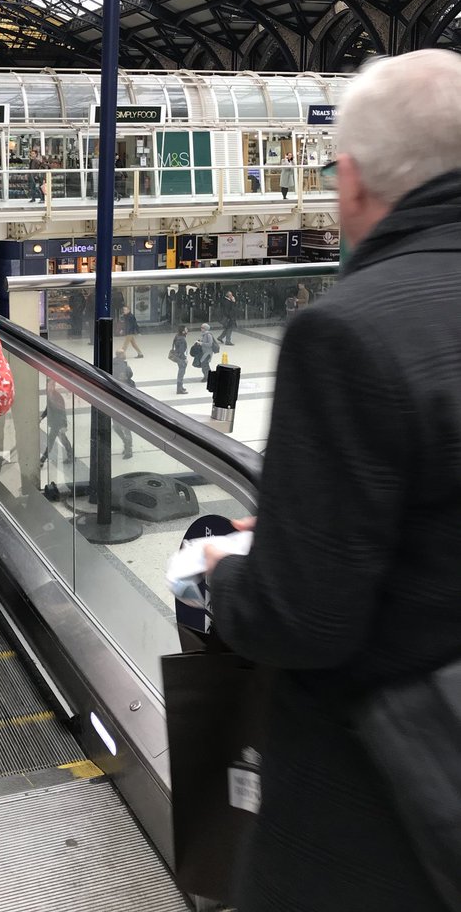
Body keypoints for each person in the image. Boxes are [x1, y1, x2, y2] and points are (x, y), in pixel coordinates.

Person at [204, 48, 461, 912]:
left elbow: (302, 619)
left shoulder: (350, 330)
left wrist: (231, 574)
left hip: (383, 810)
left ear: (350, 182)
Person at [39, 379, 73, 465]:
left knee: (51, 441)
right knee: (63, 440)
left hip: (58, 423)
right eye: (50, 385)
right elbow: (48, 408)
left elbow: (62, 411)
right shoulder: (49, 394)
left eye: (53, 385)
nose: (51, 387)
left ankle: (42, 460)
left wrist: (64, 425)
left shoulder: (57, 397)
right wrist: (41, 417)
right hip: (55, 423)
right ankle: (71, 456)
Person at [111, 351, 134, 458]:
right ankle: (128, 446)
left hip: (116, 404)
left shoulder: (113, 365)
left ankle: (127, 446)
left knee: (118, 427)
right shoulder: (124, 367)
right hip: (124, 406)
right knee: (125, 428)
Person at [170, 324, 188, 394]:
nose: (187, 330)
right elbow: (182, 350)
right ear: (183, 331)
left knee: (181, 372)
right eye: (186, 329)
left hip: (177, 356)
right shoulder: (182, 339)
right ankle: (179, 389)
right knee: (181, 373)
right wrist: (185, 358)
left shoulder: (177, 336)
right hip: (181, 358)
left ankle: (180, 387)